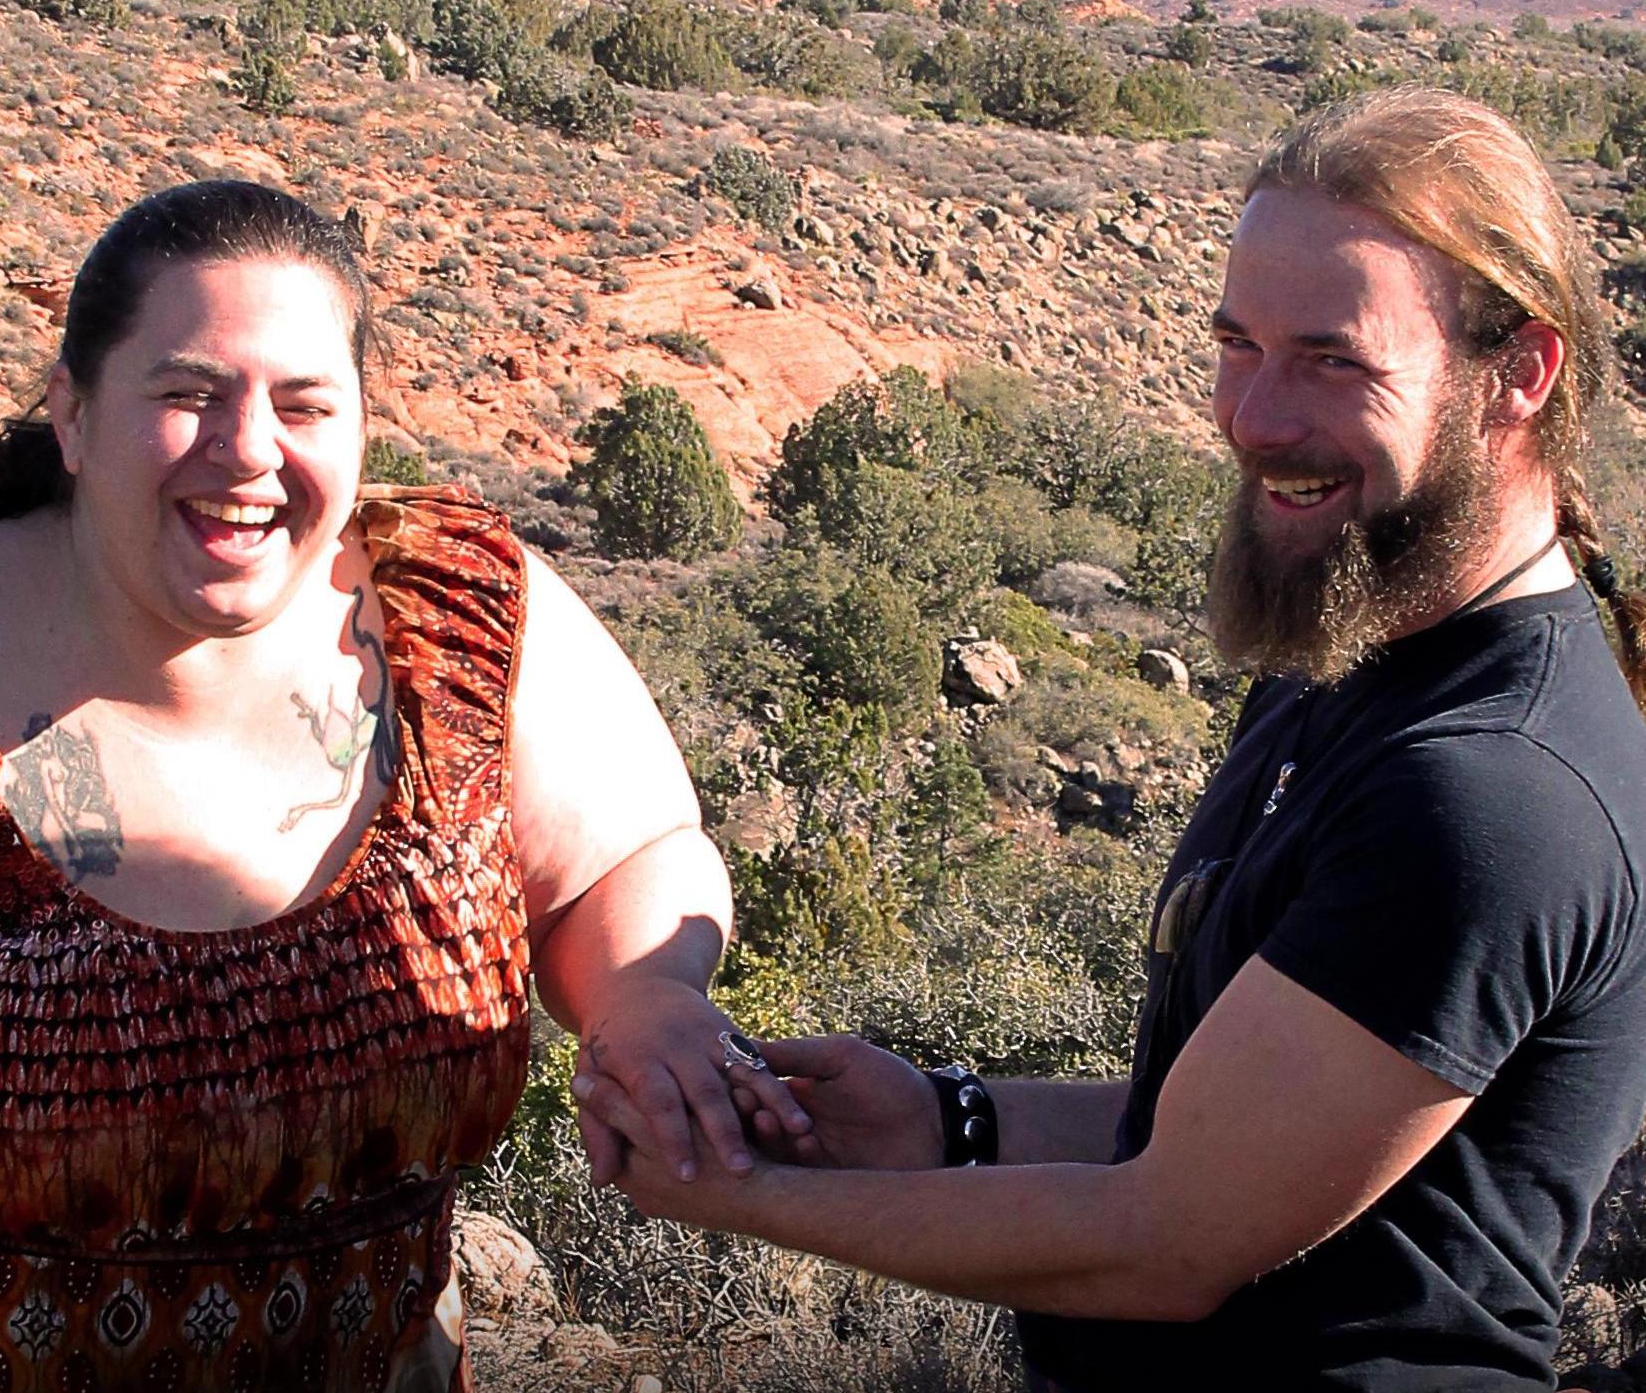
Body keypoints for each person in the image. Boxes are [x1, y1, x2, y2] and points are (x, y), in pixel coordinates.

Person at [577, 88, 1646, 1391]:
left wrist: (725, 1187)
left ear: (1514, 374)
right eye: (1234, 343)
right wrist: (939, 1117)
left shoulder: (1488, 787)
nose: (1252, 413)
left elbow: (1164, 1238)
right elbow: (1212, 1133)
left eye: (1329, 358)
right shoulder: (1349, 663)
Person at [0, 179, 803, 1391]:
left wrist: (645, 995)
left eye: (303, 402)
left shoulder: (456, 623)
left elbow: (627, 851)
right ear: (70, 415)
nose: (248, 449)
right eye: (186, 393)